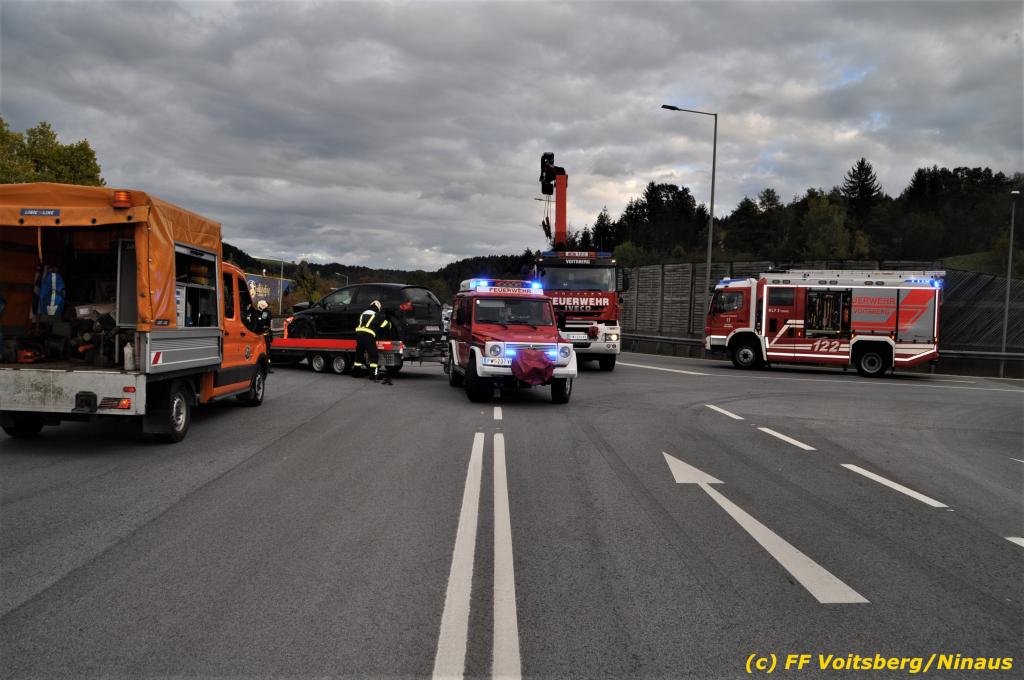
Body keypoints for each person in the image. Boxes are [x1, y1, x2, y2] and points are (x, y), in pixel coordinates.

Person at [353, 299, 391, 381]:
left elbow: (357, 322)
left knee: (359, 354)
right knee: (374, 355)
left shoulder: (363, 314)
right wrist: (389, 324)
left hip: (359, 336)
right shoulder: (376, 315)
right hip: (368, 336)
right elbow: (385, 325)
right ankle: (373, 375)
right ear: (377, 308)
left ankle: (356, 373)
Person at [250, 299, 274, 372]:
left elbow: (269, 324)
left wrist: (271, 336)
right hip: (257, 335)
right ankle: (256, 366)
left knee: (267, 351)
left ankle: (268, 367)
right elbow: (255, 324)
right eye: (265, 306)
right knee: (256, 351)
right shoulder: (255, 313)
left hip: (265, 335)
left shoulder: (266, 313)